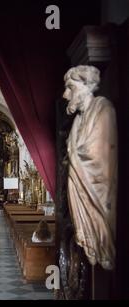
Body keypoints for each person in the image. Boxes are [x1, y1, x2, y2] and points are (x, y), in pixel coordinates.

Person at [64, 65, 117, 270]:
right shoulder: (78, 120)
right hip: (81, 193)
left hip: (97, 194)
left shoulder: (103, 110)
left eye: (70, 87)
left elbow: (97, 157)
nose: (66, 94)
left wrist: (73, 156)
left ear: (86, 86)